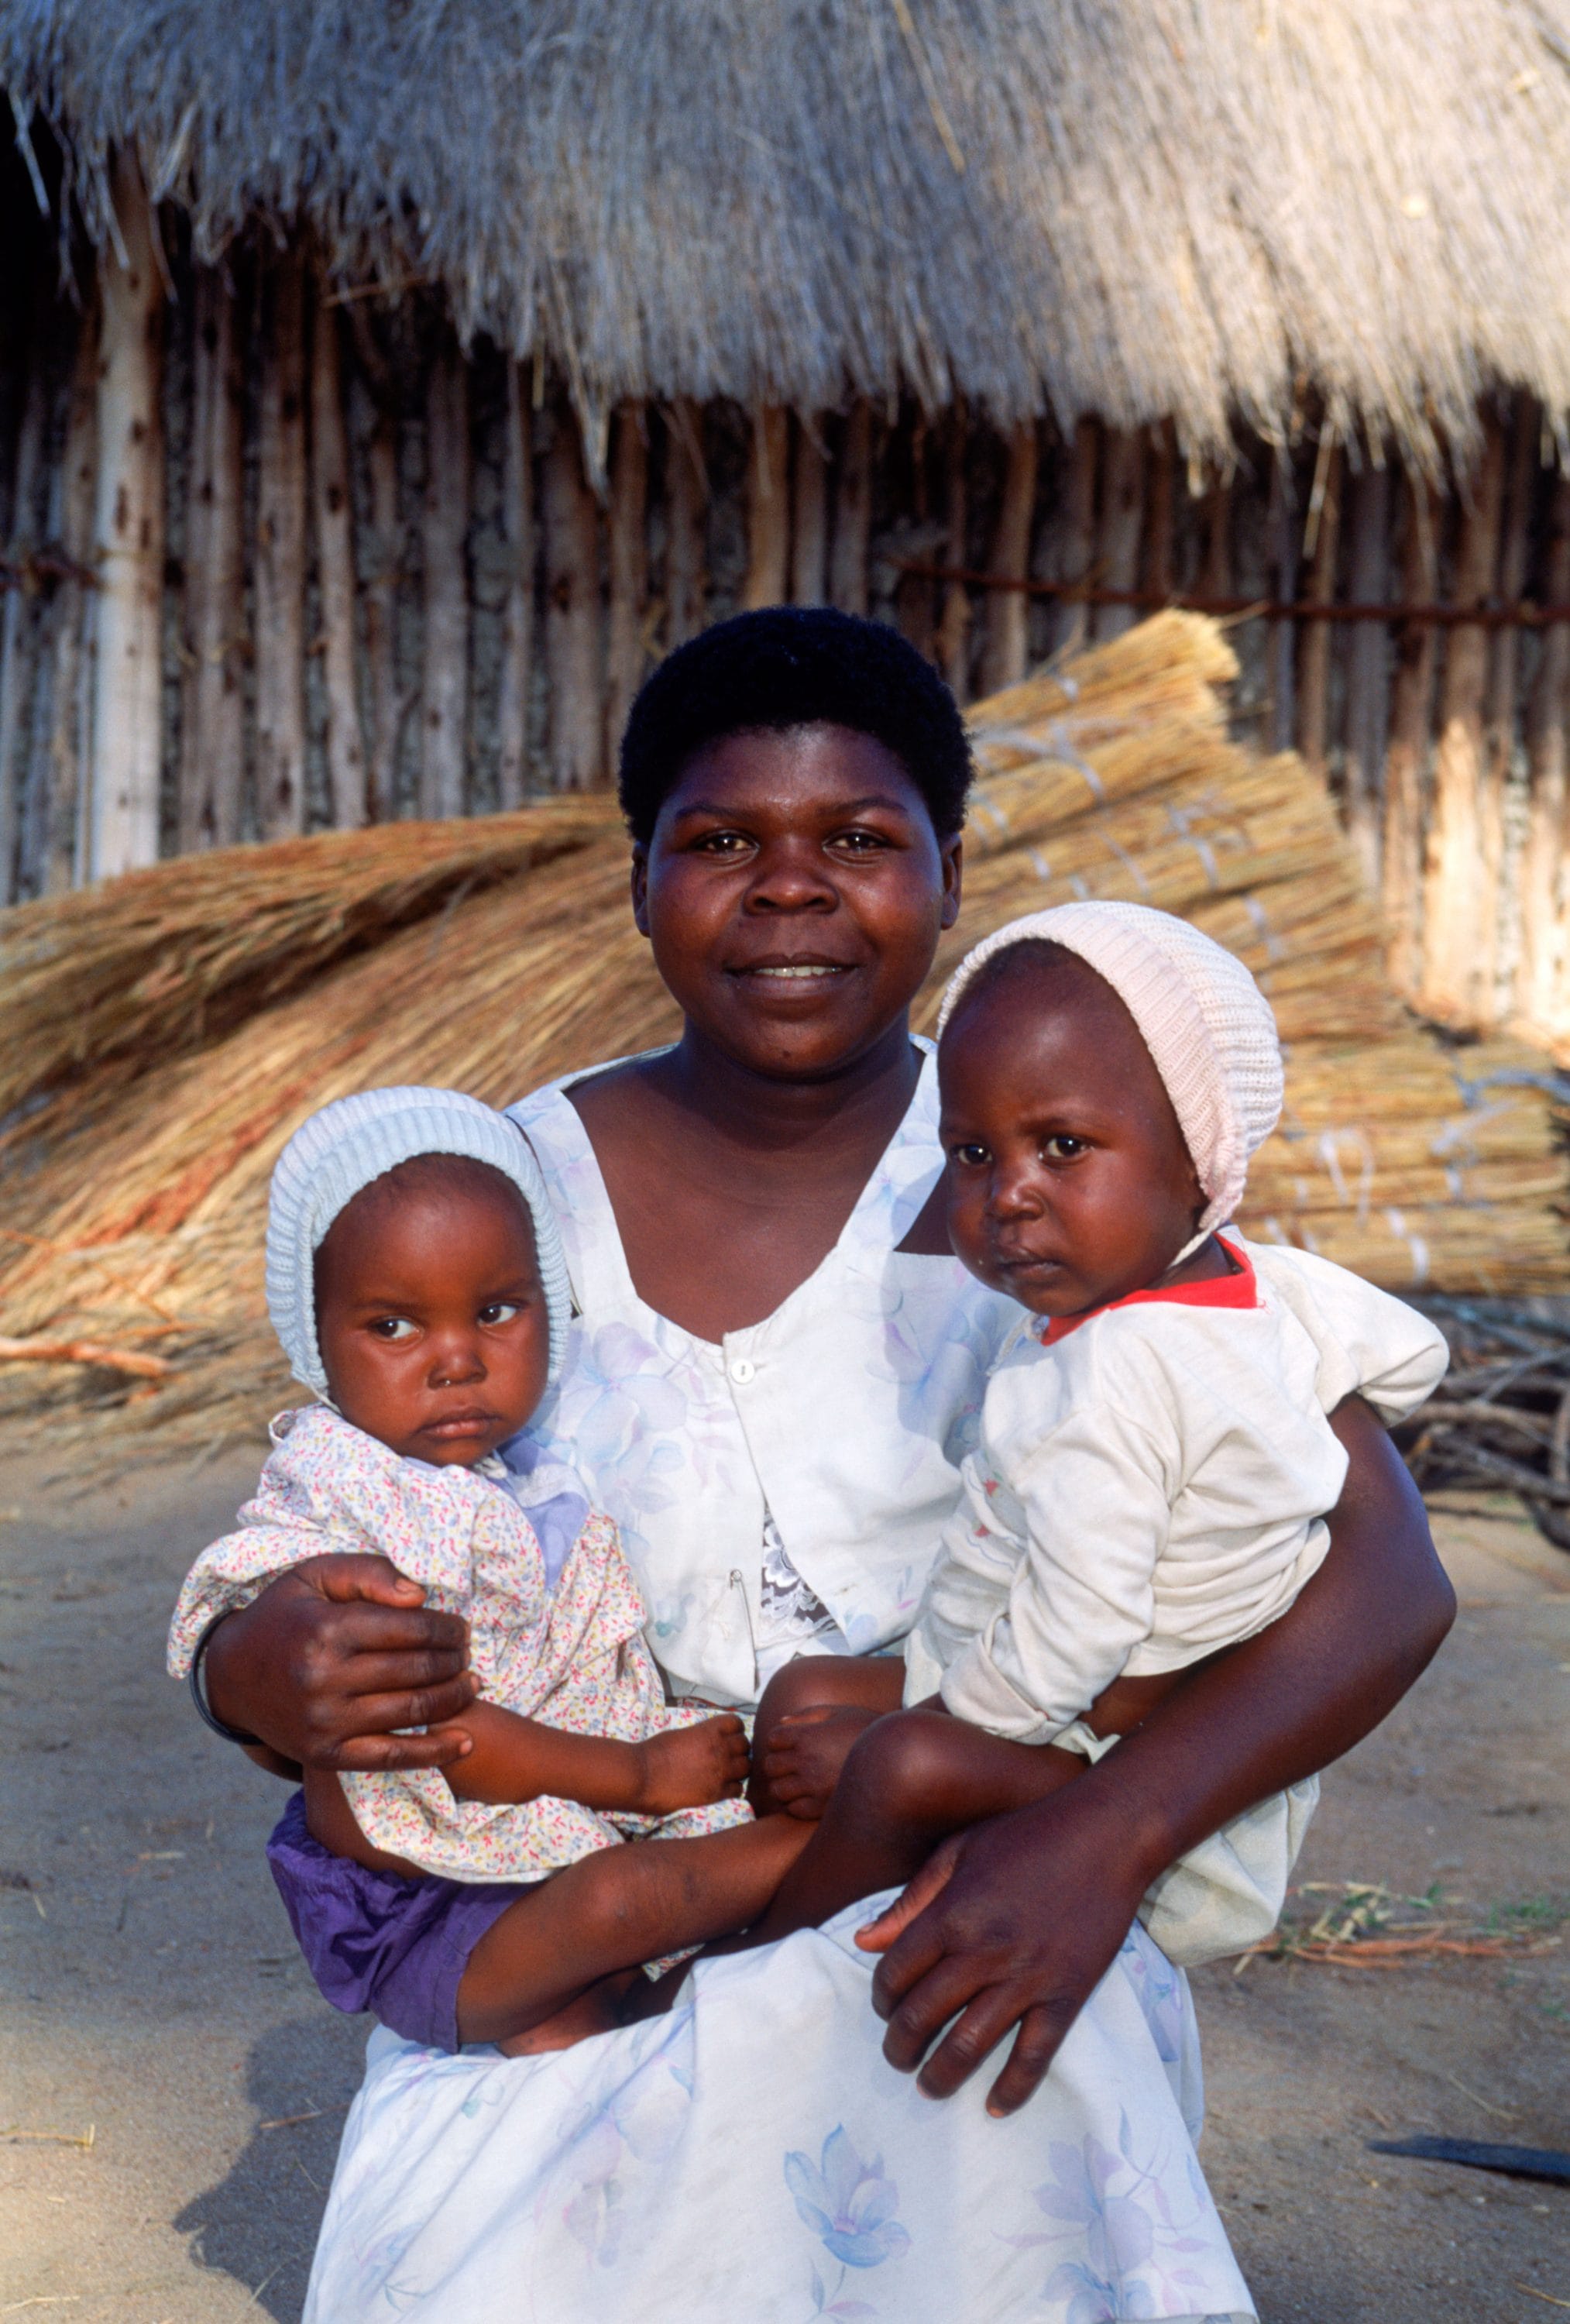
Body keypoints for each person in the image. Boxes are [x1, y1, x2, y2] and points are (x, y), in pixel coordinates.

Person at [192, 610, 1451, 2322]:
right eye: (718, 843)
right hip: (576, 1916)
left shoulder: (1073, 1173)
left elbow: (1384, 1580)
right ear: (637, 884)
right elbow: (313, 1532)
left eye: (858, 839)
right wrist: (258, 1667)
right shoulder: (500, 1193)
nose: (789, 890)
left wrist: (1092, 1848)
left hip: (979, 1888)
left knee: (987, 2122)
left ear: (947, 875)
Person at [687, 902, 1449, 1961]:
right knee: (808, 1695)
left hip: (1098, 1740)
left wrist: (930, 1726)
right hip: (1056, 1678)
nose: (1008, 1196)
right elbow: (1408, 1354)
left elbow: (1082, 1628)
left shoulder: (1113, 1375)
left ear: (1200, 1159)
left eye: (1061, 1146)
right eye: (970, 1151)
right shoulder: (1255, 1289)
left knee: (890, 1771)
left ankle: (760, 1963)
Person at [169, 1087, 807, 2054]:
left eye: (497, 1311)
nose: (456, 1360)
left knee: (625, 2037)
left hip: (545, 1846)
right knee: (621, 1905)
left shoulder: (534, 1482)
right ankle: (866, 1833)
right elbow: (430, 1722)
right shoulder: (347, 1487)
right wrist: (637, 1771)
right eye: (392, 1328)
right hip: (432, 1890)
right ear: (315, 1342)